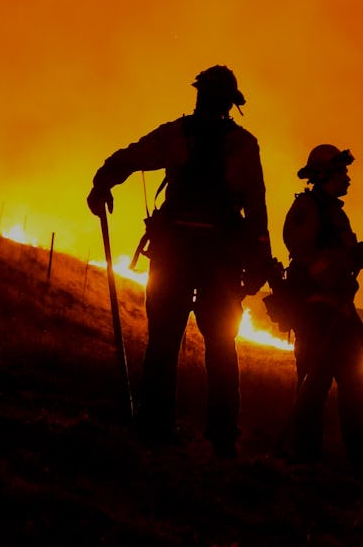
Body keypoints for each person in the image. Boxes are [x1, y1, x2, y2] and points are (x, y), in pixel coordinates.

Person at [86, 66, 271, 457]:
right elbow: (255, 207)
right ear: (230, 104)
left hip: (175, 253)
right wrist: (258, 258)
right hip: (219, 257)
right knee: (220, 344)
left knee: (165, 342)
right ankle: (221, 437)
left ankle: (156, 427)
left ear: (201, 95)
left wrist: (103, 182)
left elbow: (131, 156)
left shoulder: (178, 134)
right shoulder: (241, 145)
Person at [281, 144, 363, 468]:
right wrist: (343, 264)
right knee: (313, 386)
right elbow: (304, 255)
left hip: (339, 311)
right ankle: (305, 458)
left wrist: (353, 259)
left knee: (354, 388)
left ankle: (361, 460)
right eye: (342, 172)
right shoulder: (307, 209)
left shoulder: (334, 212)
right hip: (317, 313)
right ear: (325, 175)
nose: (347, 178)